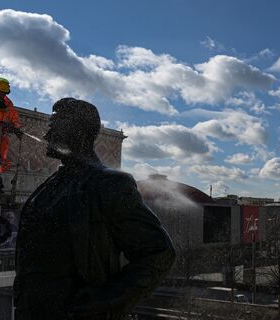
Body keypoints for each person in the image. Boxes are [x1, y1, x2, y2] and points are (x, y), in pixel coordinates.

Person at [14, 98, 175, 320]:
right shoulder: (54, 182)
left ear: (77, 132)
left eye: (54, 128)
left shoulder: (108, 184)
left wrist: (106, 300)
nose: (46, 136)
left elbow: (159, 252)